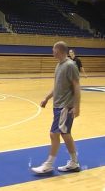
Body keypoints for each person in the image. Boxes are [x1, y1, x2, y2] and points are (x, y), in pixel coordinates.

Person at [31, 41, 81, 174]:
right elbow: (57, 87)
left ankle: (48, 164)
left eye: (53, 49)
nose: (52, 51)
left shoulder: (70, 65)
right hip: (58, 106)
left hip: (65, 107)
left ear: (59, 50)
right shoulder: (59, 66)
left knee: (54, 134)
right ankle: (74, 162)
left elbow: (76, 86)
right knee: (65, 134)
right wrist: (47, 98)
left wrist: (77, 107)